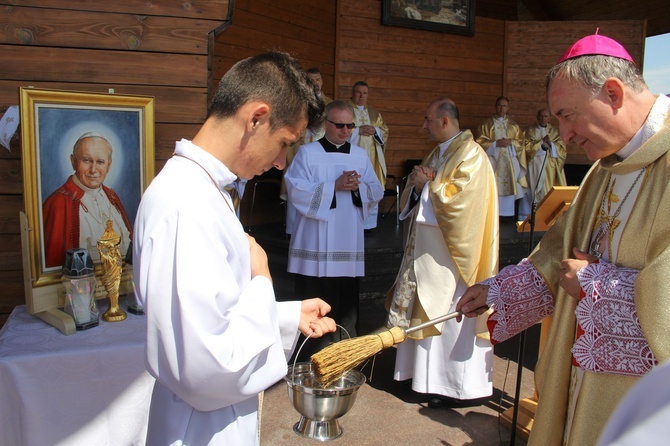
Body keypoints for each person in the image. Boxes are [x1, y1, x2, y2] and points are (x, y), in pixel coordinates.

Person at [457, 32, 669, 445]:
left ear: (613, 93)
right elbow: (559, 250)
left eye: (567, 116)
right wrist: (499, 289)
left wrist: (600, 287)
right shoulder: (606, 168)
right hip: (585, 379)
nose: (564, 134)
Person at [132, 51, 336, 446]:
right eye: (284, 143)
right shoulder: (185, 203)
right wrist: (261, 277)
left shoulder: (204, 189)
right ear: (256, 118)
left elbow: (213, 312)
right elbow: (206, 365)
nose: (281, 162)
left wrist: (286, 316)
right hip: (197, 429)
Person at [385, 97, 498, 407]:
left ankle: (453, 386)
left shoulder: (471, 155)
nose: (424, 126)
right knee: (426, 308)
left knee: (448, 314)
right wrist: (418, 185)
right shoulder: (438, 151)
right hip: (429, 251)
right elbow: (421, 186)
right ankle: (422, 378)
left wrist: (425, 187)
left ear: (445, 121)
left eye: (427, 120)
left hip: (454, 258)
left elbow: (460, 204)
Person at [285, 100, 384, 359]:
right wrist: (334, 186)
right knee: (313, 293)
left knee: (345, 297)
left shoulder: (360, 155)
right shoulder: (307, 154)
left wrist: (358, 188)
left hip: (347, 239)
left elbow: (376, 190)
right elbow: (295, 189)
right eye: (339, 125)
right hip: (314, 241)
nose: (345, 130)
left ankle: (344, 351)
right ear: (326, 124)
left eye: (349, 125)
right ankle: (310, 353)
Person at [42, 132, 133, 268]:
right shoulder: (58, 203)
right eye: (86, 160)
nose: (93, 169)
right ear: (73, 161)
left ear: (108, 166)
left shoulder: (111, 197)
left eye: (100, 162)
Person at [283, 67, 334, 236]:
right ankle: (293, 229)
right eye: (311, 80)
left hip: (324, 152)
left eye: (317, 80)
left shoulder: (331, 104)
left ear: (322, 81)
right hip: (301, 149)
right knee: (299, 184)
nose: (315, 83)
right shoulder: (296, 103)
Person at [476, 96, 526, 221]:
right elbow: (479, 141)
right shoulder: (486, 124)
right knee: (493, 185)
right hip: (494, 161)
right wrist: (494, 144)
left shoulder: (513, 125)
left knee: (509, 183)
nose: (501, 108)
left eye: (504, 106)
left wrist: (510, 142)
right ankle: (492, 215)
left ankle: (508, 216)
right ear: (495, 106)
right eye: (499, 105)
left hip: (509, 162)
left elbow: (521, 142)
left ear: (508, 108)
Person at [347, 81, 389, 229]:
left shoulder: (374, 113)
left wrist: (375, 131)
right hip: (351, 159)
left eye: (365, 93)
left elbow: (384, 131)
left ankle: (369, 225)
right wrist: (357, 131)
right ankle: (352, 223)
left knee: (370, 187)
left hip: (371, 159)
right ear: (352, 93)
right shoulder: (345, 110)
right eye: (358, 92)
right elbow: (339, 130)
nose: (361, 96)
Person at [519, 108, 567, 220]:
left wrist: (551, 145)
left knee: (546, 190)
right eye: (541, 116)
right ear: (537, 117)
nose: (543, 118)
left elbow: (562, 149)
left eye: (546, 116)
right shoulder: (530, 130)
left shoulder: (554, 132)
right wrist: (541, 143)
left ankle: (545, 216)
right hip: (534, 166)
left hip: (549, 167)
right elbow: (525, 146)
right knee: (533, 190)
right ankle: (529, 216)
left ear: (549, 118)